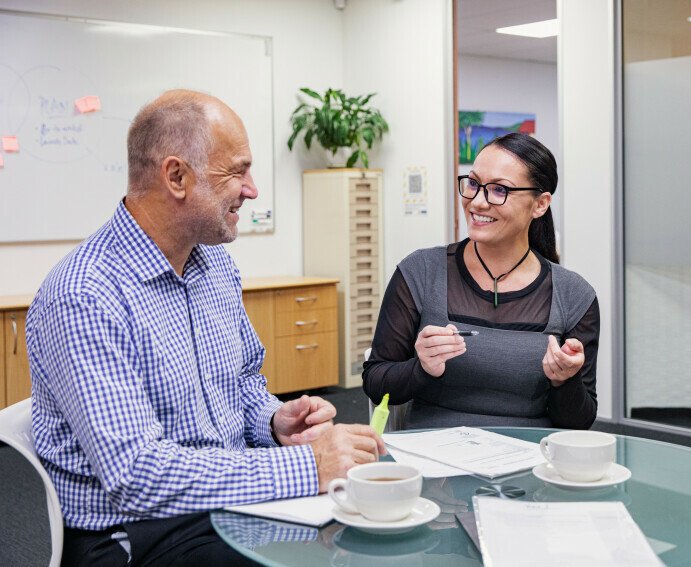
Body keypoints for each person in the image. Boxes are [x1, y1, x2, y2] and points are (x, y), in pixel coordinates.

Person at [26, 90, 385, 566]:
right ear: (176, 176)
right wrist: (308, 465)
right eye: (238, 170)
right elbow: (138, 478)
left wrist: (274, 423)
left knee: (368, 536)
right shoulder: (84, 296)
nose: (252, 189)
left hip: (226, 502)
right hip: (133, 534)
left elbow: (242, 384)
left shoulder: (215, 266)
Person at [362, 133, 599, 429]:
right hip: (435, 457)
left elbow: (579, 422)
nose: (477, 202)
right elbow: (375, 382)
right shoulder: (420, 272)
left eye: (499, 190)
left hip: (528, 459)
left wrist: (565, 381)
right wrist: (420, 367)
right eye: (473, 184)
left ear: (540, 204)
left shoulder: (575, 296)